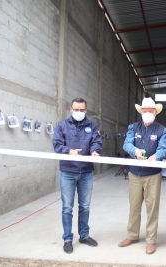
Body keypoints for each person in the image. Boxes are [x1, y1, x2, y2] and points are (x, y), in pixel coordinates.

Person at [119, 97, 166, 254]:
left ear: (155, 112)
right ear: (141, 112)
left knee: (152, 208)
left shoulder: (162, 130)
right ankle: (132, 235)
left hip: (152, 175)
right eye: (145, 111)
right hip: (135, 173)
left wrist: (156, 156)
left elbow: (164, 147)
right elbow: (127, 144)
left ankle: (151, 240)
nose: (147, 113)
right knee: (134, 207)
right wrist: (135, 151)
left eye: (150, 111)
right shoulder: (133, 127)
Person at [52, 98, 103, 254]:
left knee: (85, 206)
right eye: (76, 109)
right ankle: (67, 239)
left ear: (86, 110)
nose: (79, 112)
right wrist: (69, 151)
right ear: (70, 109)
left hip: (86, 172)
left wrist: (95, 150)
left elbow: (96, 141)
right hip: (68, 172)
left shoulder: (92, 126)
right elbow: (57, 144)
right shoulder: (62, 125)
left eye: (82, 110)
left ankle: (84, 235)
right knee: (67, 208)